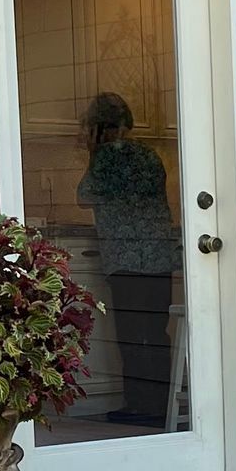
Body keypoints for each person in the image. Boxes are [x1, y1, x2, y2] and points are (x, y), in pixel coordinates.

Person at [76, 93, 181, 426]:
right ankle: (162, 404)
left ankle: (139, 406)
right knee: (156, 332)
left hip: (126, 257)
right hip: (159, 255)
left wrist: (92, 154)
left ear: (97, 129)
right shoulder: (148, 155)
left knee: (132, 336)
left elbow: (84, 197)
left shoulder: (106, 158)